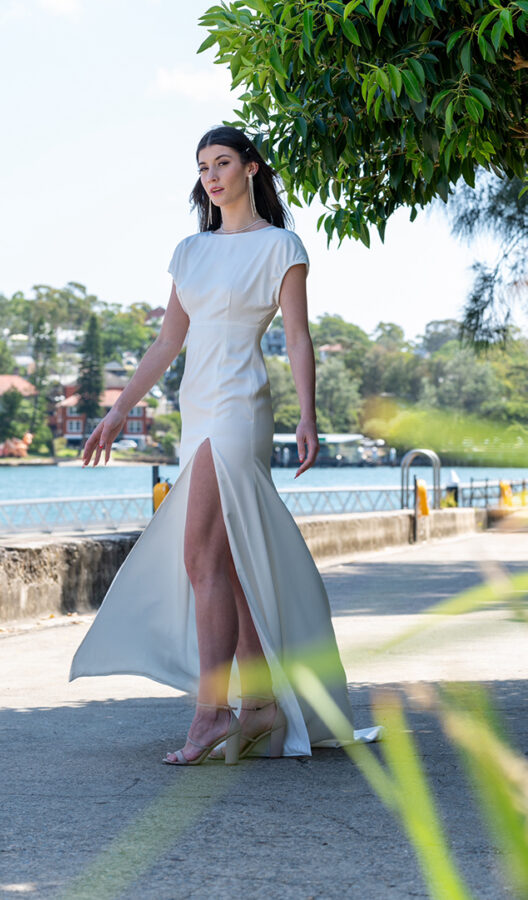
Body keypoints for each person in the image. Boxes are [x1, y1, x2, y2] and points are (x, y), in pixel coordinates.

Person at [69, 125, 382, 765]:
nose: (211, 176)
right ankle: (261, 707)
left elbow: (296, 338)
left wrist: (308, 415)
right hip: (196, 411)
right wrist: (120, 409)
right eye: (203, 166)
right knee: (229, 565)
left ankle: (211, 714)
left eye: (223, 163)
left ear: (252, 170)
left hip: (240, 409)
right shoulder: (189, 251)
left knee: (200, 556)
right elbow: (166, 343)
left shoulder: (281, 246)